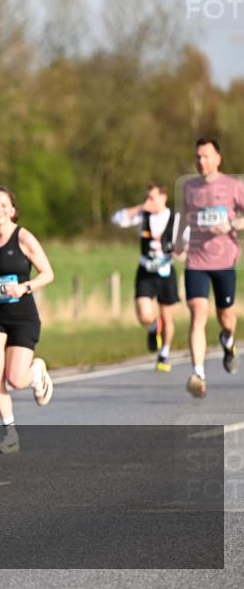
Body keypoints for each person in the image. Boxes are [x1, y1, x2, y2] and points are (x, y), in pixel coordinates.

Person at [0, 186, 55, 454]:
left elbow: (48, 273)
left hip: (22, 317)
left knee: (15, 380)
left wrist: (24, 287)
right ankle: (10, 433)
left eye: (4, 205)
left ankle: (36, 372)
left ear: (13, 211)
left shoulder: (24, 238)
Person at [179, 138, 244, 398]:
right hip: (196, 261)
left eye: (206, 156)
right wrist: (176, 243)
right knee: (198, 312)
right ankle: (198, 374)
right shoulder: (189, 187)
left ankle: (228, 341)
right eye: (198, 157)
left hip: (224, 261)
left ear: (218, 158)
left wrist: (231, 225)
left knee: (227, 318)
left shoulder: (233, 186)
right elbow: (183, 217)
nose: (201, 161)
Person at [111, 185, 180, 371]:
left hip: (165, 271)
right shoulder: (143, 216)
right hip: (145, 271)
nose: (150, 201)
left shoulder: (175, 219)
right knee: (143, 313)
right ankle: (152, 327)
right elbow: (117, 219)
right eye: (147, 197)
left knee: (167, 316)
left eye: (153, 197)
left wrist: (178, 252)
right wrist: (141, 207)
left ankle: (164, 353)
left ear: (164, 197)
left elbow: (185, 242)